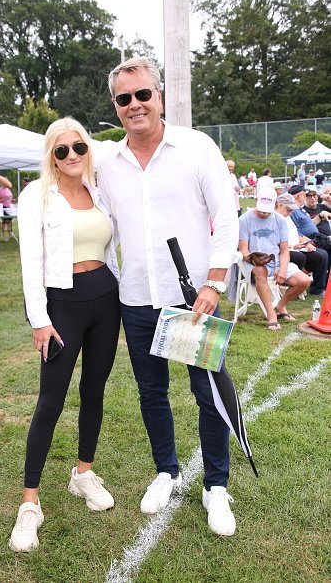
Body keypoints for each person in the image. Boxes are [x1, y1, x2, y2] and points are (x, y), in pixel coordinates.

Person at [97, 57, 239, 536]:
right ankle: (166, 471)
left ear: (160, 96)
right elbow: (102, 225)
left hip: (191, 299)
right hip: (137, 298)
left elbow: (226, 214)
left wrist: (214, 283)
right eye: (124, 98)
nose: (135, 105)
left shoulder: (196, 147)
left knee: (208, 392)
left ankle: (216, 486)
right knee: (151, 391)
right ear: (116, 106)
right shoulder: (109, 163)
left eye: (143, 95)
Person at [9, 117, 120, 553]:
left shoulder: (99, 189)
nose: (72, 155)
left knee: (95, 390)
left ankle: (83, 474)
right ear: (50, 155)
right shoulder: (36, 195)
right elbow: (29, 261)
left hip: (105, 297)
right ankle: (30, 504)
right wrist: (39, 319)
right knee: (50, 399)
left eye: (78, 147)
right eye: (62, 150)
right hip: (61, 306)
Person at [239, 186, 311, 328]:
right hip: (253, 264)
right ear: (256, 201)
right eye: (262, 210)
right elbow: (243, 250)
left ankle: (280, 305)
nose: (264, 213)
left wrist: (283, 269)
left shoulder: (280, 220)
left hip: (275, 260)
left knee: (304, 281)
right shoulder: (244, 219)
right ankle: (271, 315)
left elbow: (284, 251)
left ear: (275, 204)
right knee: (260, 270)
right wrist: (252, 258)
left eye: (267, 210)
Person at [275, 193, 328, 296]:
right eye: (289, 209)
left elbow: (296, 233)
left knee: (317, 257)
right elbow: (275, 242)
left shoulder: (287, 217)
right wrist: (293, 246)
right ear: (280, 204)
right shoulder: (275, 218)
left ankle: (297, 282)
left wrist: (306, 243)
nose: (290, 212)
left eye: (291, 210)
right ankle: (290, 283)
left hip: (295, 247)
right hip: (283, 251)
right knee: (300, 257)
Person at [0, 176, 14, 241]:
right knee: (4, 222)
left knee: (9, 221)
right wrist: (4, 199)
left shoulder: (8, 189)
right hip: (3, 208)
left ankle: (10, 234)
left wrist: (12, 200)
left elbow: (9, 198)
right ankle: (3, 235)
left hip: (9, 207)